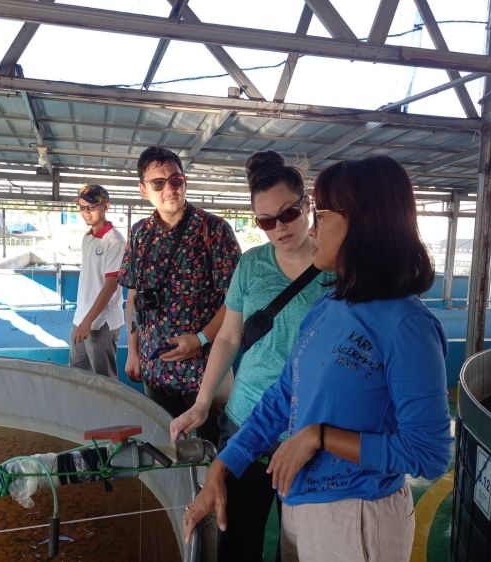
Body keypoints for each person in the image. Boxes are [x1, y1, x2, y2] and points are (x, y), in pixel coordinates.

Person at [183, 155, 453, 562]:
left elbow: (429, 454)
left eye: (321, 215)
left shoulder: (406, 325)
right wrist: (224, 464)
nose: (312, 227)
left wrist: (318, 436)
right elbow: (282, 395)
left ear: (363, 224)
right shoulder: (329, 305)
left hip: (358, 517)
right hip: (301, 503)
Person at [170, 150, 330, 562]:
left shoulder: (339, 269)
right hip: (247, 423)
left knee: (301, 549)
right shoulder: (251, 265)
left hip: (310, 432)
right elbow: (227, 337)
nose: (278, 228)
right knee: (236, 540)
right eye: (265, 221)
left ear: (307, 204)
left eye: (288, 213)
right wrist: (203, 404)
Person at [118, 146, 241, 443]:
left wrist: (201, 339)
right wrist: (133, 351)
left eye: (176, 180)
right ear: (144, 190)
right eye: (158, 183)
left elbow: (237, 299)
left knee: (216, 446)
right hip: (155, 368)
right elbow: (134, 295)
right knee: (165, 447)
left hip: (207, 371)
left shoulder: (214, 231)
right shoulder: (138, 234)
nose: (169, 189)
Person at [69, 184, 125, 378]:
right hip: (82, 318)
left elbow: (110, 287)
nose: (85, 212)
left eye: (91, 207)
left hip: (102, 323)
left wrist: (88, 322)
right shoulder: (87, 238)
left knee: (105, 380)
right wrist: (82, 322)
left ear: (105, 207)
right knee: (75, 374)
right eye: (82, 207)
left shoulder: (115, 241)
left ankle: (110, 410)